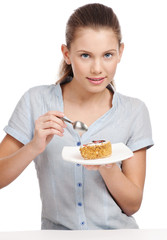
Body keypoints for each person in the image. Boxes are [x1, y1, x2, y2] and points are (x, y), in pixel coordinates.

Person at [0, 3, 153, 230]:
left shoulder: (134, 112)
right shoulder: (36, 101)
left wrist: (107, 167)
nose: (97, 69)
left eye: (108, 55)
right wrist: (33, 147)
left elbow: (132, 205)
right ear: (67, 54)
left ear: (120, 53)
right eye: (85, 55)